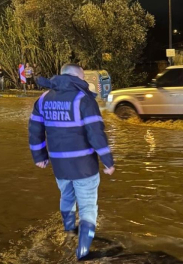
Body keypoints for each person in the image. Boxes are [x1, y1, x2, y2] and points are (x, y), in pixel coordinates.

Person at [28, 64, 115, 260]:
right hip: (84, 166)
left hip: (60, 166)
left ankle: (68, 232)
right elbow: (96, 134)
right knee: (88, 208)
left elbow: (34, 131)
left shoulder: (43, 99)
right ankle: (83, 251)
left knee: (66, 196)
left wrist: (39, 156)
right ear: (77, 76)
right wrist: (108, 161)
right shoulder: (83, 99)